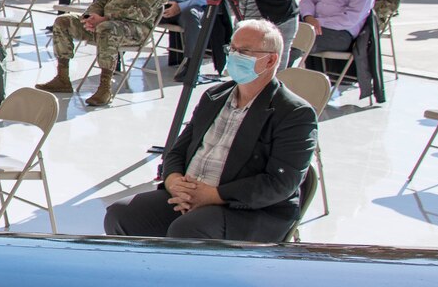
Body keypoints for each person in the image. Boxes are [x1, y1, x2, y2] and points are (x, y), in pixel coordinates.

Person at [102, 18, 316, 243]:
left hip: (245, 210)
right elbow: (177, 151)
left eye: (243, 51)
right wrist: (174, 181)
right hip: (190, 196)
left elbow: (279, 183)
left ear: (271, 60)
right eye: (231, 49)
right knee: (121, 215)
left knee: (188, 230)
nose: (234, 56)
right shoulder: (215, 96)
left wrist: (214, 196)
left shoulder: (295, 113)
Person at [40, 0, 171, 107]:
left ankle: (105, 88)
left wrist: (103, 19)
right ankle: (62, 78)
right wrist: (89, 17)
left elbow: (141, 12)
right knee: (63, 21)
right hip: (105, 22)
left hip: (135, 28)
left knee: (106, 28)